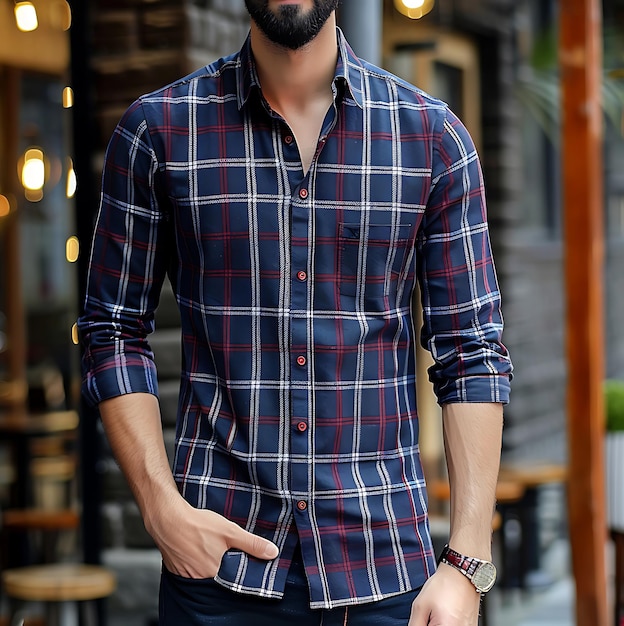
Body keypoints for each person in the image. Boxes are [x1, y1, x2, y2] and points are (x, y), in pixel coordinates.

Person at [78, 1, 513, 624]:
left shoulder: (432, 138)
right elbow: (112, 329)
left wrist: (467, 564)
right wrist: (158, 506)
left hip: (387, 573)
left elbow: (470, 350)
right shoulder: (158, 131)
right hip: (218, 575)